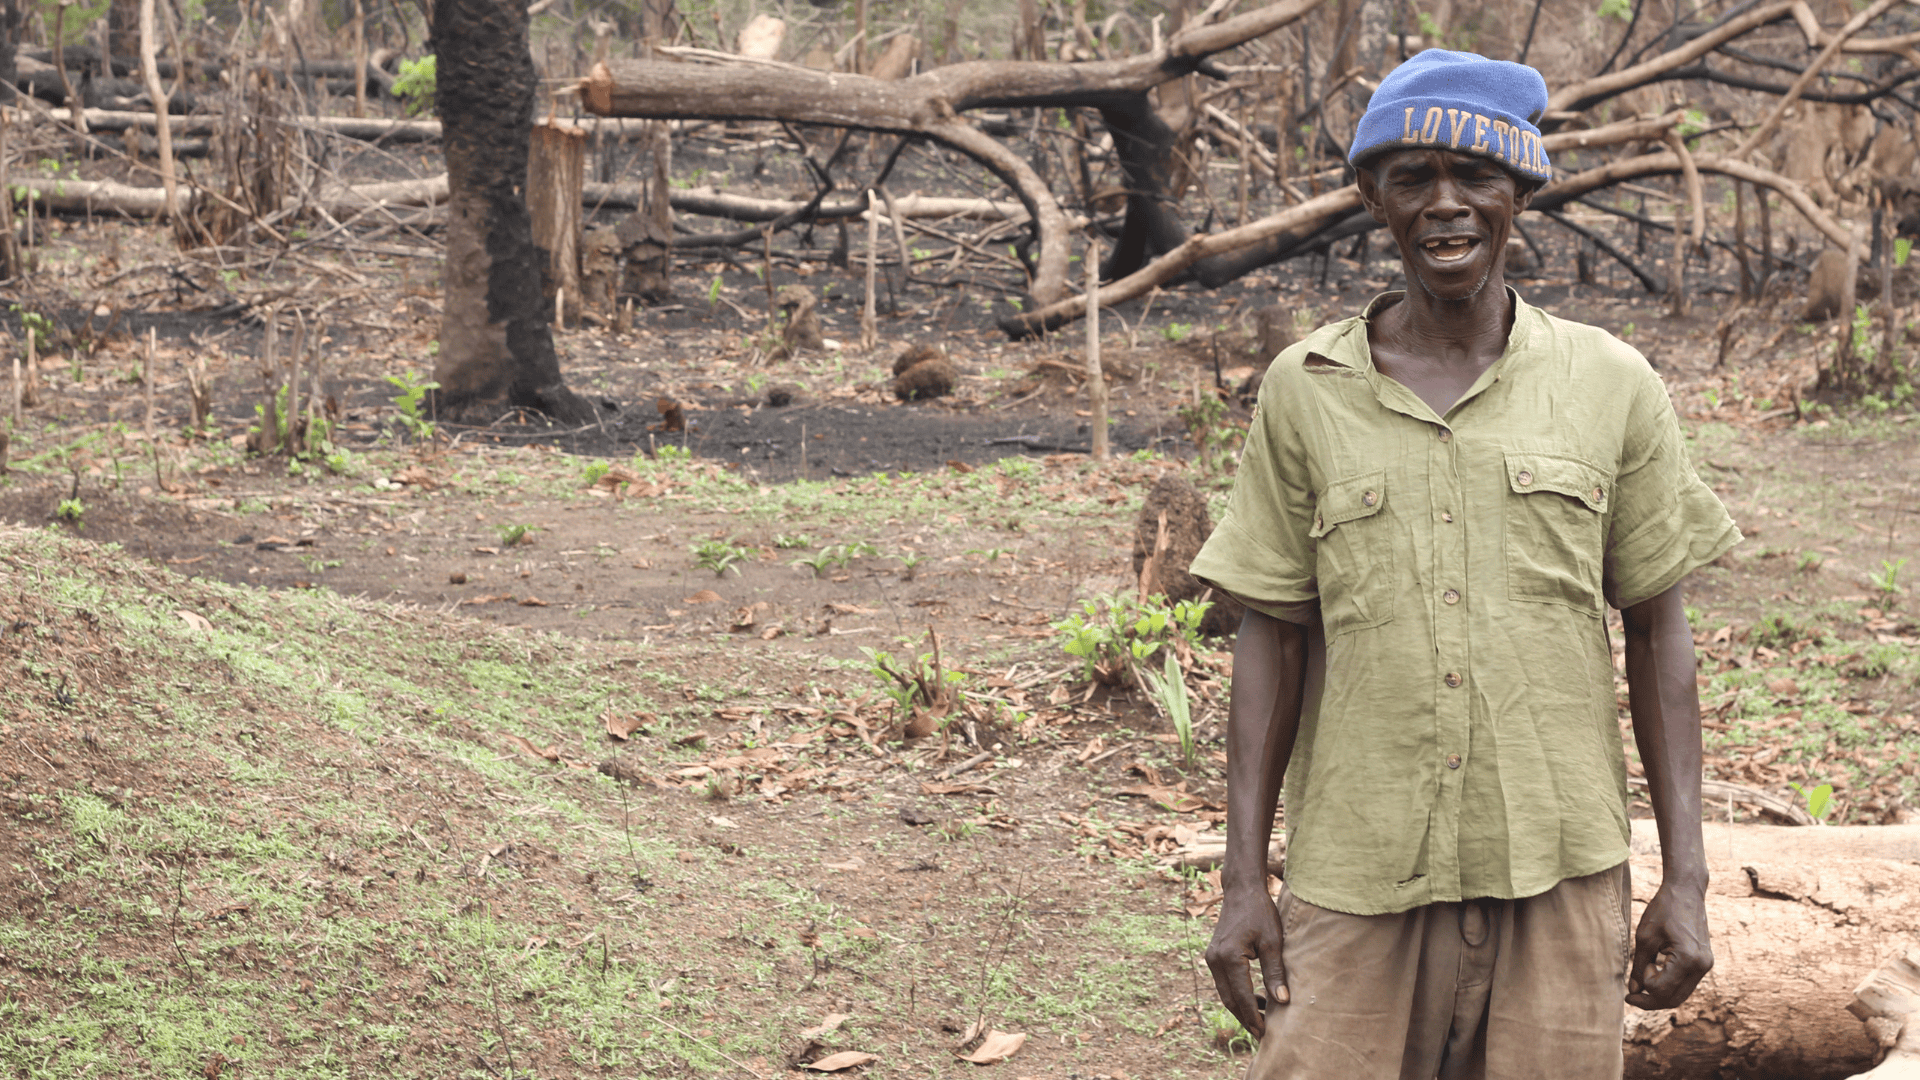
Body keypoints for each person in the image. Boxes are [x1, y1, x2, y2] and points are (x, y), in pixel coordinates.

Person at [1189, 50, 1740, 1080]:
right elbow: (1272, 631)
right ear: (1371, 198)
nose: (1446, 205)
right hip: (1359, 868)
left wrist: (1688, 878)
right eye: (1412, 179)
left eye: (1475, 177)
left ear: (1520, 190)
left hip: (1560, 864)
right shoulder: (1306, 390)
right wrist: (1242, 881)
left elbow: (1659, 631)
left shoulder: (1609, 384)